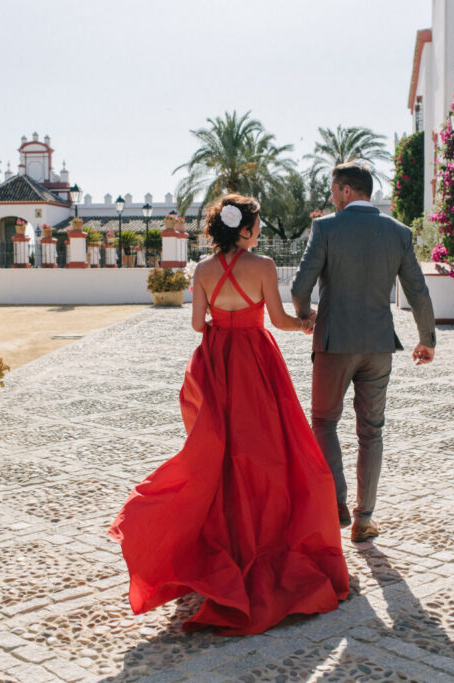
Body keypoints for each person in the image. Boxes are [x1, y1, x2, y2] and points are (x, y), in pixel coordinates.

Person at [109, 193, 350, 636]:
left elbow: (198, 326)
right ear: (245, 230)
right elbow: (277, 320)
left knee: (221, 456)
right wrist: (306, 323)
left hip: (219, 362)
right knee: (268, 450)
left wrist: (223, 317)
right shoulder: (262, 267)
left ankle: (227, 544)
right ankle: (266, 537)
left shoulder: (201, 270)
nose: (260, 230)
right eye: (257, 225)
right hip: (256, 363)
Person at [291, 162, 436, 544]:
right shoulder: (399, 233)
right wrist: (427, 339)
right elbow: (417, 291)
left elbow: (300, 286)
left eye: (333, 190)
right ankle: (364, 519)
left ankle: (337, 501)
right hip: (378, 347)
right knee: (372, 431)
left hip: (333, 343)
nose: (330, 197)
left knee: (324, 422)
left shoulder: (325, 227)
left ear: (346, 191)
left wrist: (306, 316)